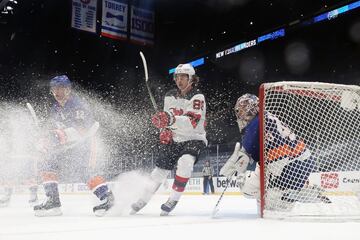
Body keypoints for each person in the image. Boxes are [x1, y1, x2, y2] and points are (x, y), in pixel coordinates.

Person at [220, 93, 330, 211]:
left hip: (291, 165)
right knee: (261, 193)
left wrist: (271, 181)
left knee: (260, 194)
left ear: (251, 108)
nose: (240, 114)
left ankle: (297, 193)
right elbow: (252, 152)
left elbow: (278, 153)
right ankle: (303, 190)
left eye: (242, 109)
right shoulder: (263, 118)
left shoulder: (257, 123)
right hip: (300, 161)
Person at [130, 63, 207, 216]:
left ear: (191, 79)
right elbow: (166, 119)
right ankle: (143, 198)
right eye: (177, 77)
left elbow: (192, 122)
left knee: (185, 162)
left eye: (183, 77)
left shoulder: (197, 97)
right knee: (159, 171)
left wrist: (169, 120)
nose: (179, 80)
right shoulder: (170, 95)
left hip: (194, 138)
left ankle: (173, 198)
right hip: (175, 138)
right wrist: (163, 129)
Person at [33, 75, 114, 217]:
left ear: (68, 89)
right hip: (69, 144)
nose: (57, 93)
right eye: (54, 90)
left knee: (83, 171)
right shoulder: (55, 108)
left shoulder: (77, 105)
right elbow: (56, 128)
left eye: (61, 89)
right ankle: (53, 202)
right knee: (47, 163)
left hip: (86, 141)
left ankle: (107, 197)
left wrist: (57, 135)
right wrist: (45, 135)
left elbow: (81, 129)